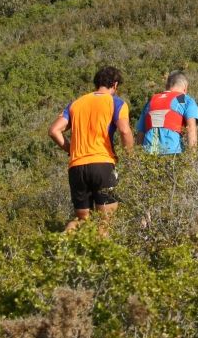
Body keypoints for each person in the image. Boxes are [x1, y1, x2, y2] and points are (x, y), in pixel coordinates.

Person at [49, 66, 134, 233]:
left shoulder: (75, 104)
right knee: (105, 222)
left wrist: (69, 149)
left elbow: (54, 131)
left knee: (82, 220)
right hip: (102, 164)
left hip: (76, 167)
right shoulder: (116, 102)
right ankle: (102, 258)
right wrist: (132, 158)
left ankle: (61, 248)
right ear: (115, 85)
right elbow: (124, 130)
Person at [136, 70, 198, 154]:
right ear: (185, 88)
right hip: (172, 152)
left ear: (167, 86)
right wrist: (193, 156)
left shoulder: (151, 101)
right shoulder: (185, 99)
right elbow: (191, 128)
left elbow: (141, 132)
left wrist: (138, 156)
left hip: (148, 153)